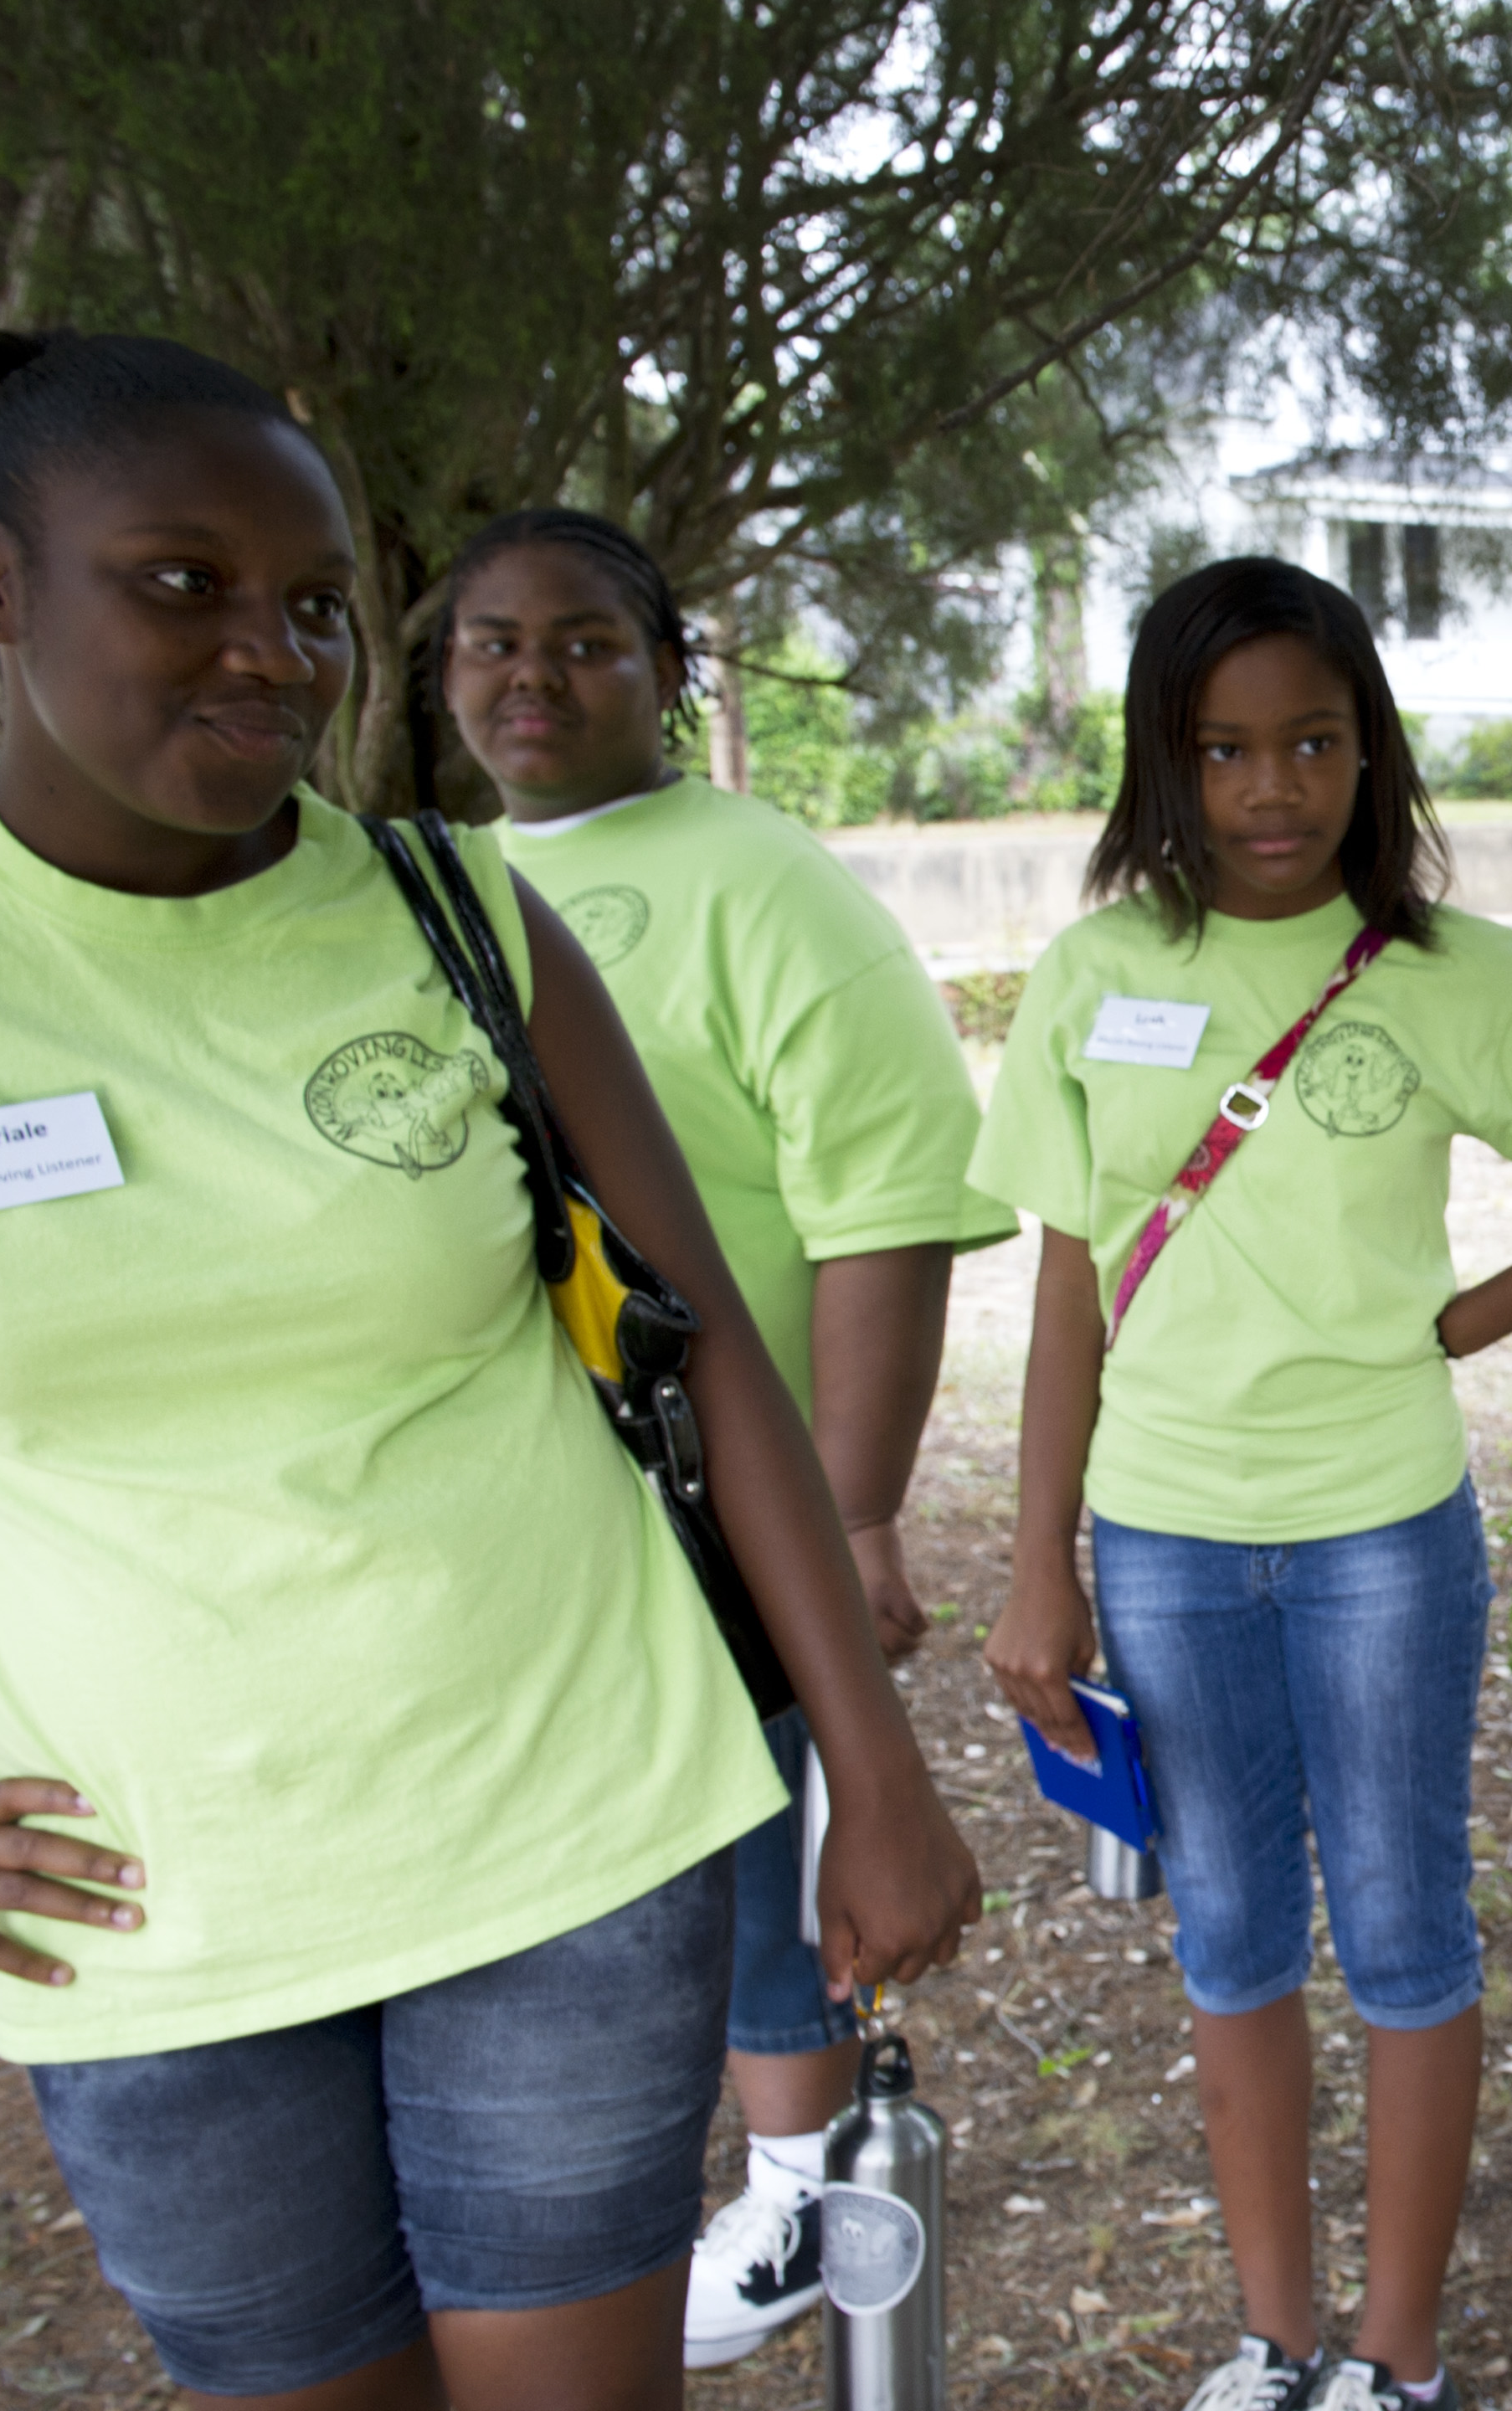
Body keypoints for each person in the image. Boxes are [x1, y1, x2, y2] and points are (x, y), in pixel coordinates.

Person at [0, 332, 982, 2411]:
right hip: (142, 1916)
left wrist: (873, 1769)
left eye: (312, 605)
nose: (270, 655)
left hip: (568, 1833)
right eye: (180, 583)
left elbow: (717, 1362)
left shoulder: (457, 915)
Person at [975, 558, 1512, 2411]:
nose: (1272, 788)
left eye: (1312, 741)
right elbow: (1069, 1284)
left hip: (1381, 1533)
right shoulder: (1095, 973)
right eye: (1224, 750)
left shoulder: (1455, 976)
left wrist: (1458, 1327)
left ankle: (1394, 2358)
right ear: (1166, 762)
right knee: (1225, 1929)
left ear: (1371, 750)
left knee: (1397, 1923)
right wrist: (1036, 1563)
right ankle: (1272, 2338)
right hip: (1164, 1538)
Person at [435, 507, 1018, 2370]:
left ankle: (788, 2197)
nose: (533, 677)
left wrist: (850, 1515)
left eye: (587, 642)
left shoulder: (764, 883)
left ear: (671, 674)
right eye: (491, 644)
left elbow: (884, 1210)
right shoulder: (417, 882)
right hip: (507, 1516)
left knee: (773, 1859)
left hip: (717, 1500)